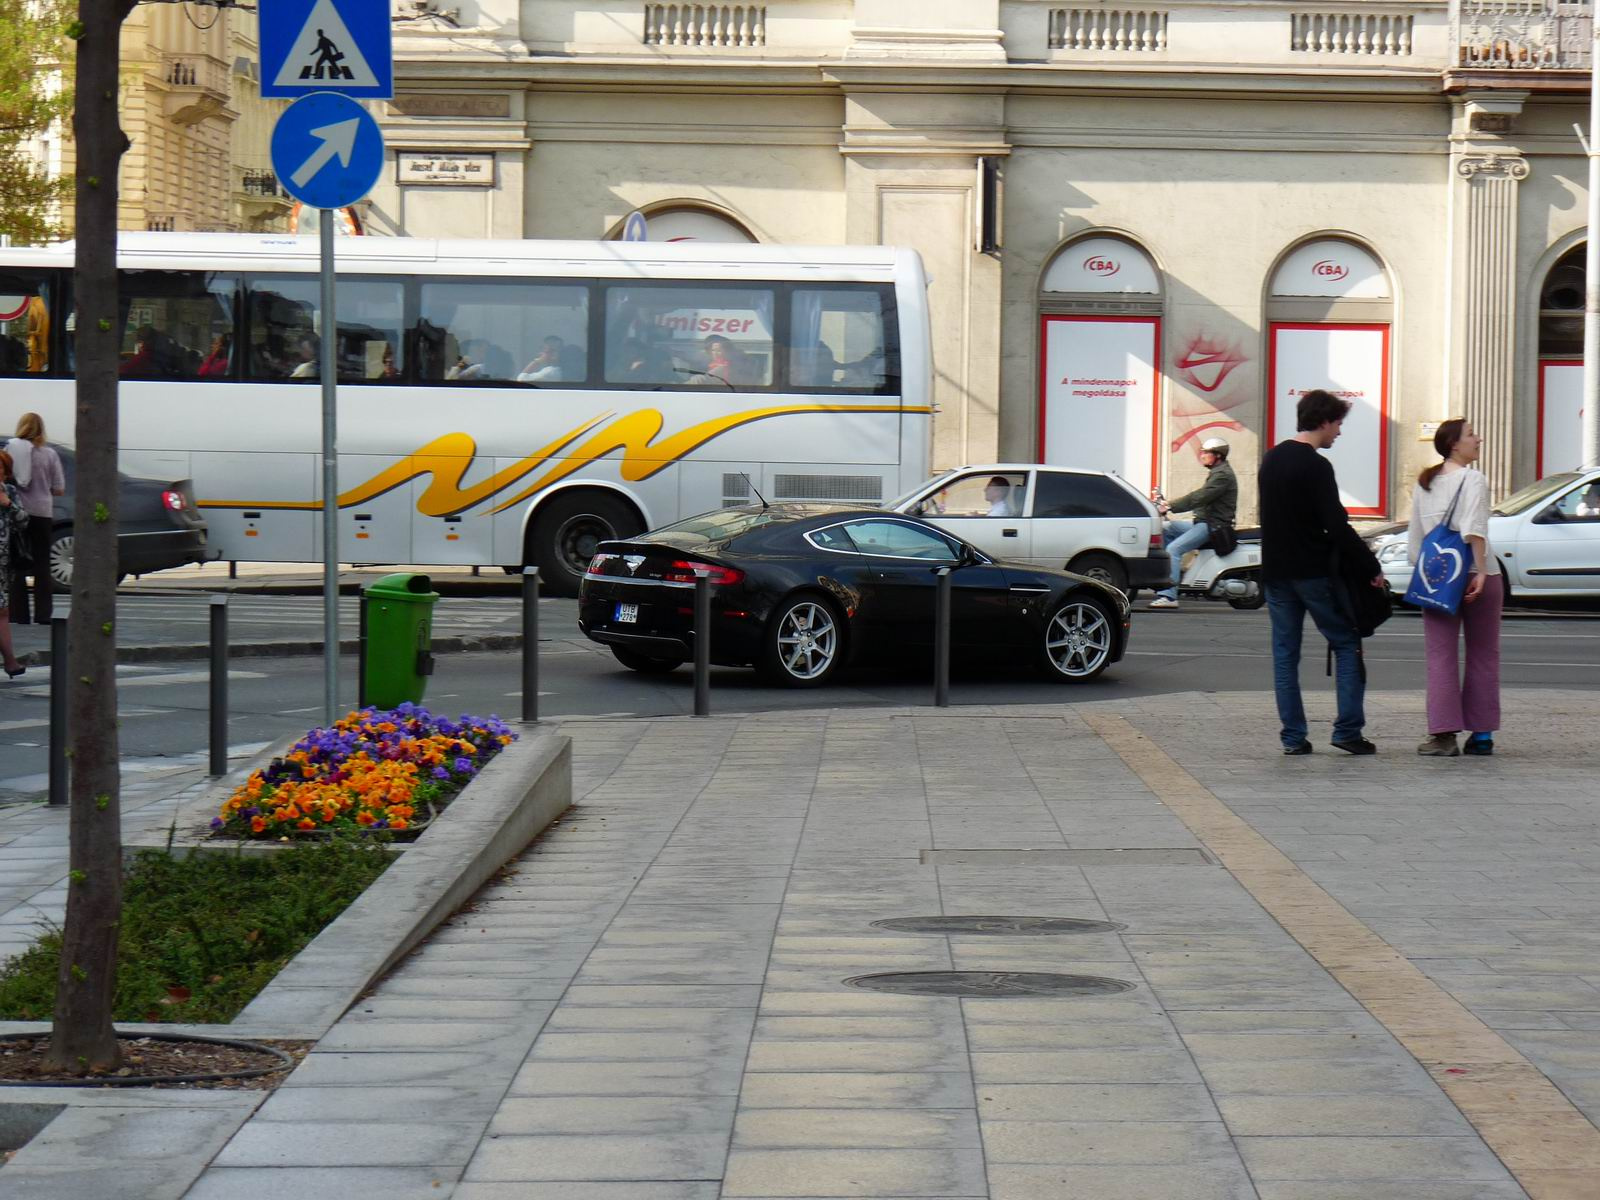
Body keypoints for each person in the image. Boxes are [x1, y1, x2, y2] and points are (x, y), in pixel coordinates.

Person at [1259, 389, 1384, 756]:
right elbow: (1336, 524)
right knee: (1346, 643)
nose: (1339, 433)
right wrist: (1369, 565)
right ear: (1325, 421)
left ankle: (1293, 738)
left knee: (1285, 655)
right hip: (1313, 573)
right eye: (1339, 425)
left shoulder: (1272, 459)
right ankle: (1347, 730)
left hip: (1277, 573)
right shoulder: (1316, 466)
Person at [1409, 418, 1501, 757]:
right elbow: (1474, 527)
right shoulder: (1474, 479)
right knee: (1483, 654)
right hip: (1482, 574)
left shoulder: (1425, 482)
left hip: (1437, 579)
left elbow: (1416, 539)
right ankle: (1482, 735)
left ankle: (1443, 736)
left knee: (1440, 656)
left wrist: (1425, 576)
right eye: (1472, 435)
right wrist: (1477, 569)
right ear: (1454, 445)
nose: (1479, 438)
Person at [1149, 436, 1237, 609]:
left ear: (1217, 455)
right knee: (1166, 529)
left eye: (1206, 452)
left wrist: (1169, 506)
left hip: (1212, 526)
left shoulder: (1222, 476)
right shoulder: (1217, 472)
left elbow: (1200, 497)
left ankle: (1169, 596)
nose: (1202, 455)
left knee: (1174, 549)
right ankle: (1173, 576)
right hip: (1203, 522)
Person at [5, 413, 63, 626]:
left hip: (18, 511)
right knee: (42, 564)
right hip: (43, 512)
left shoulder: (11, 449)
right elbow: (59, 488)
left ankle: (19, 614)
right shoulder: (50, 455)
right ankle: (43, 615)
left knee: (17, 561)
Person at [0, 449, 29, 678]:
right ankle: (10, 661)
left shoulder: (9, 491)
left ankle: (10, 662)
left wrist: (8, 504)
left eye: (1, 469)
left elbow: (23, 521)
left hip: (3, 562)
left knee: (2, 612)